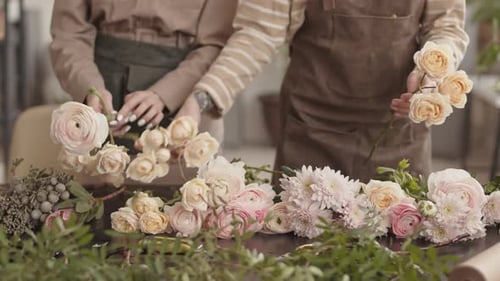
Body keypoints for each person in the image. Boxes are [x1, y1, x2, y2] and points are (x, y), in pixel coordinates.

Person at [177, 0, 469, 182]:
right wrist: (202, 96)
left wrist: (430, 77)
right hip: (311, 129)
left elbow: (446, 27)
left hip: (397, 131)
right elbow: (259, 32)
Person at [50, 0, 237, 151]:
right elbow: (68, 34)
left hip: (186, 105)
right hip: (99, 101)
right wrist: (90, 88)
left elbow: (216, 43)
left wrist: (166, 94)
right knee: (93, 193)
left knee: (183, 194)